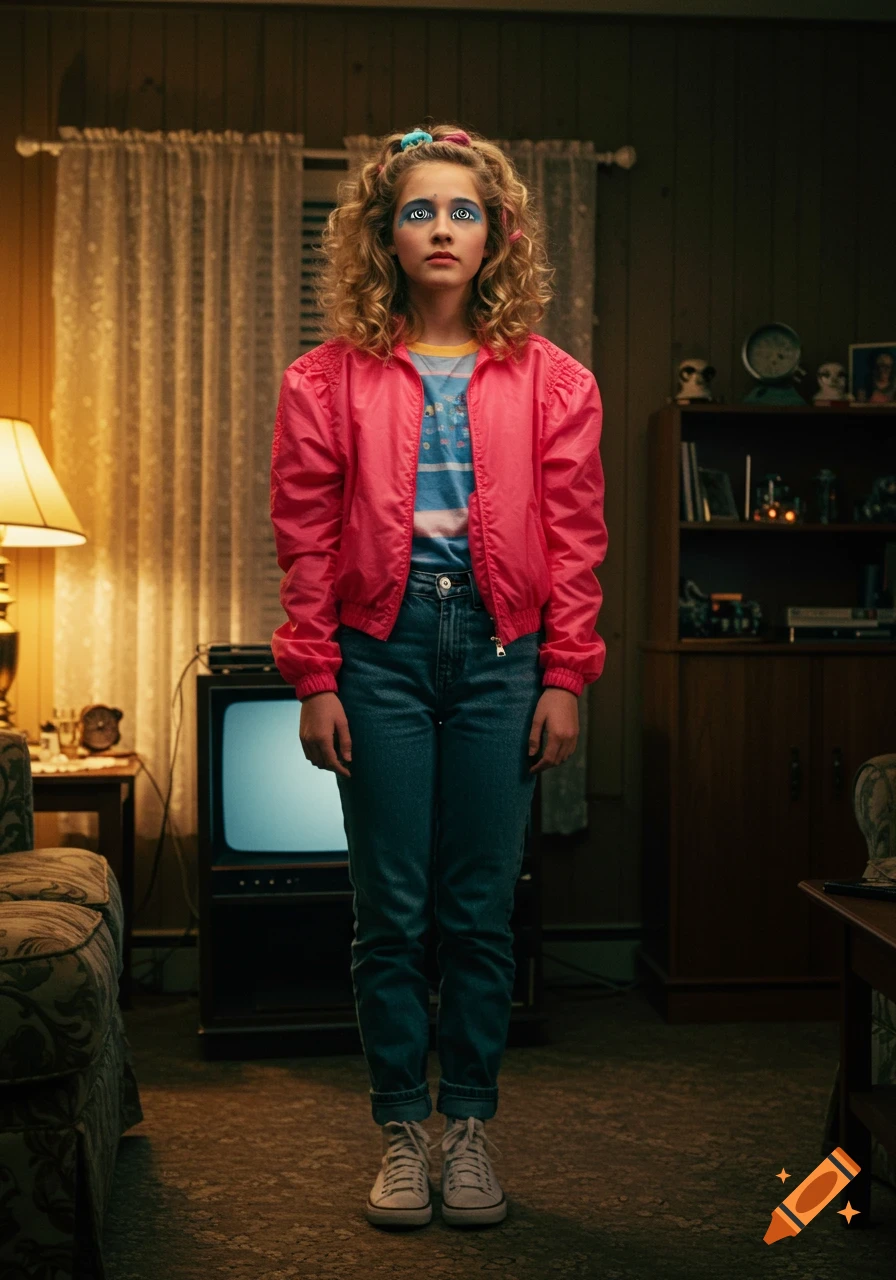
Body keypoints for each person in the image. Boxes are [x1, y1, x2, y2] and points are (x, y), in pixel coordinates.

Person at [269, 124, 608, 1231]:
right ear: (384, 235)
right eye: (418, 209)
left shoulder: (556, 380)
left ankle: (468, 1123)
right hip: (381, 652)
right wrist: (316, 673)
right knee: (390, 911)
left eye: (462, 210)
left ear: (496, 233)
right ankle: (399, 1135)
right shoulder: (322, 380)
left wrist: (565, 673)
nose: (441, 228)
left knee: (475, 910)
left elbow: (575, 534)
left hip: (504, 656)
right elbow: (305, 534)